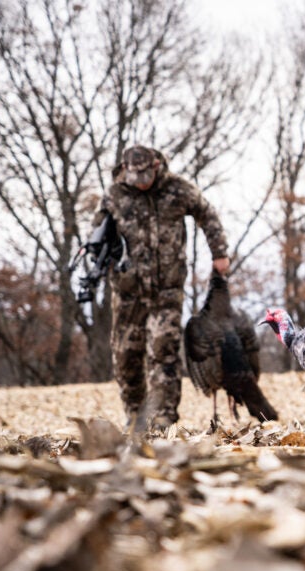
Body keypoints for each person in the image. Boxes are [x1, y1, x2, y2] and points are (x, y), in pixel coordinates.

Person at [92, 145, 230, 431]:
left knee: (162, 351)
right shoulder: (114, 195)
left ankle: (162, 419)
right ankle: (134, 417)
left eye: (146, 173)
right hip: (128, 292)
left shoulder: (177, 189)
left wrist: (219, 252)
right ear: (125, 170)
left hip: (166, 291)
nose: (141, 180)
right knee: (125, 355)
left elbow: (207, 214)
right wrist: (99, 257)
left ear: (155, 166)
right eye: (135, 175)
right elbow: (96, 234)